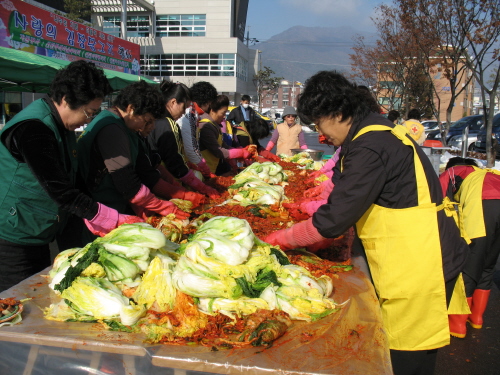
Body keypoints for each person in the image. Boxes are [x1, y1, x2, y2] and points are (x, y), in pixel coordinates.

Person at [263, 70, 469, 375]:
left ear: (338, 112)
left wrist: (280, 239)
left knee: (406, 357)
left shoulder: (371, 144)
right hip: (412, 253)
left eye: (319, 123)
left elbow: (334, 219)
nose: (320, 135)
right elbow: (340, 194)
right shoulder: (369, 133)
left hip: (423, 262)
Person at [0, 61, 142, 292]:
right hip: (12, 236)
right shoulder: (34, 128)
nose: (89, 119)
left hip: (38, 231)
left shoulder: (62, 127)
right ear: (65, 99)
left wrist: (100, 218)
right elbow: (60, 190)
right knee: (18, 300)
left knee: (37, 291)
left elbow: (73, 181)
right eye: (89, 112)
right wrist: (110, 218)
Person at [77, 81, 190, 225]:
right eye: (147, 121)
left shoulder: (123, 127)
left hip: (113, 205)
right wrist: (161, 206)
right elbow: (128, 184)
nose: (149, 127)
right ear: (131, 109)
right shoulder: (112, 129)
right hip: (100, 212)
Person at [439, 157, 500, 338]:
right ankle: (477, 318)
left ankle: (457, 324)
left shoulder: (452, 172)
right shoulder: (487, 174)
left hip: (484, 204)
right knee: (488, 264)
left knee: (469, 264)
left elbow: (436, 197)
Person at [148, 81, 219, 200]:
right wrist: (202, 187)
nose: (182, 113)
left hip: (157, 180)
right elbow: (174, 162)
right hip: (164, 183)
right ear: (173, 102)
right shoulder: (168, 124)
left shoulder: (156, 119)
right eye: (183, 107)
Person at [198, 95, 252, 175]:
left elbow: (223, 145)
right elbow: (218, 151)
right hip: (203, 170)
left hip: (211, 169)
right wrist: (241, 153)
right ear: (212, 111)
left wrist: (235, 158)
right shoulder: (206, 126)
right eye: (223, 113)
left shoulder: (215, 125)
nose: (224, 117)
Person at [177, 81, 218, 178]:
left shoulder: (193, 113)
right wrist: (205, 170)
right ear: (208, 103)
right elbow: (191, 149)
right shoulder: (190, 113)